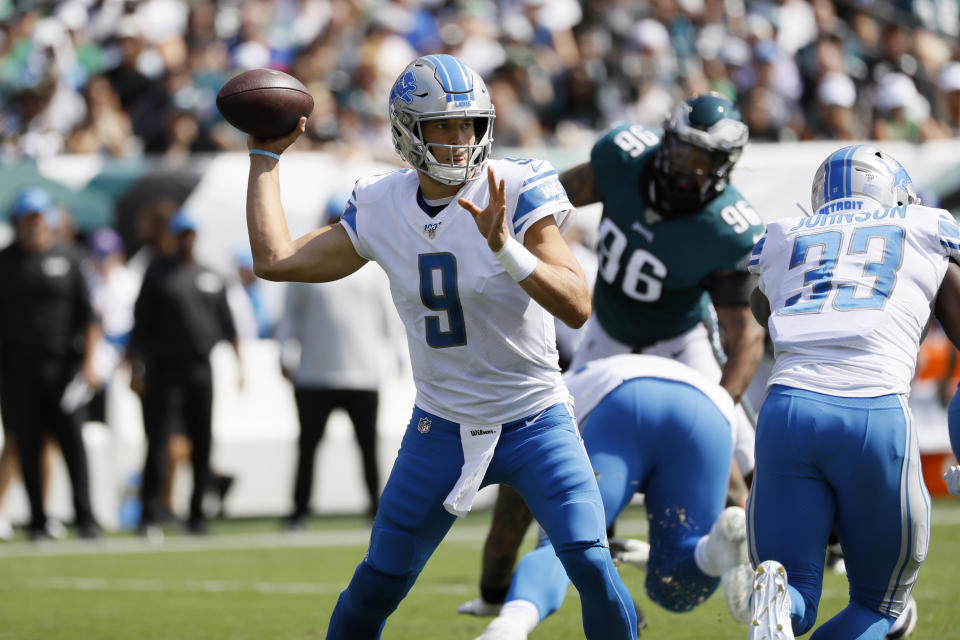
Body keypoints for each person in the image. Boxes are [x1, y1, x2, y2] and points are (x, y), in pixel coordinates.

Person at [244, 53, 637, 640]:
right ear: (408, 131)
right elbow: (275, 261)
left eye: (468, 125)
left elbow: (577, 304)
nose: (459, 142)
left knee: (589, 560)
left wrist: (507, 247)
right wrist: (265, 158)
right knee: (381, 579)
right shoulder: (381, 204)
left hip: (535, 419)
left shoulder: (517, 183)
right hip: (443, 425)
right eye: (442, 127)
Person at [459, 91, 767, 617]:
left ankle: (770, 576)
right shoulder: (623, 156)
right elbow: (548, 196)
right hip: (607, 332)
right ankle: (554, 586)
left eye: (704, 159)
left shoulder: (727, 226)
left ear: (724, 166)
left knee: (742, 460)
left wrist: (718, 402)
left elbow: (748, 339)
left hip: (681, 343)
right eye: (685, 150)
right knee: (558, 452)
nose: (690, 167)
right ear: (668, 139)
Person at [743, 145, 960, 640]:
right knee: (880, 604)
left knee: (796, 587)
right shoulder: (926, 225)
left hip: (787, 409)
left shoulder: (781, 234)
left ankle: (780, 601)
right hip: (874, 409)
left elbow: (763, 311)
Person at [475, 354, 752, 640]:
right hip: (709, 408)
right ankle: (712, 549)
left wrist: (492, 593)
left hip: (620, 403)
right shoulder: (589, 373)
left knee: (565, 545)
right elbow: (734, 484)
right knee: (674, 588)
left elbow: (506, 530)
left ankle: (508, 628)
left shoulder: (538, 405)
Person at [274, 194, 405, 527]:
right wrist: (285, 351)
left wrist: (399, 355)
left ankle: (376, 509)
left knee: (367, 446)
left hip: (363, 373)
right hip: (314, 373)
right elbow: (290, 314)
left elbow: (389, 314)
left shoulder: (373, 268)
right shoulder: (306, 263)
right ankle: (299, 511)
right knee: (308, 446)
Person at [127, 210, 241, 538]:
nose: (187, 240)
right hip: (164, 369)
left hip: (200, 368)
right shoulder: (157, 273)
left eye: (191, 234)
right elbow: (140, 324)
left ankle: (196, 514)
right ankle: (149, 513)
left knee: (202, 439)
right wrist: (136, 368)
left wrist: (238, 363)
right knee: (159, 441)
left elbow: (226, 323)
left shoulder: (210, 275)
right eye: (182, 234)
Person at [0, 186, 101, 540]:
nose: (33, 224)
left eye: (38, 216)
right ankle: (38, 521)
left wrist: (89, 363)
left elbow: (90, 317)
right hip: (17, 372)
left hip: (64, 369)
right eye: (27, 217)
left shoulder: (71, 258)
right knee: (26, 446)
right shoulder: (6, 262)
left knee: (73, 445)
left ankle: (85, 519)